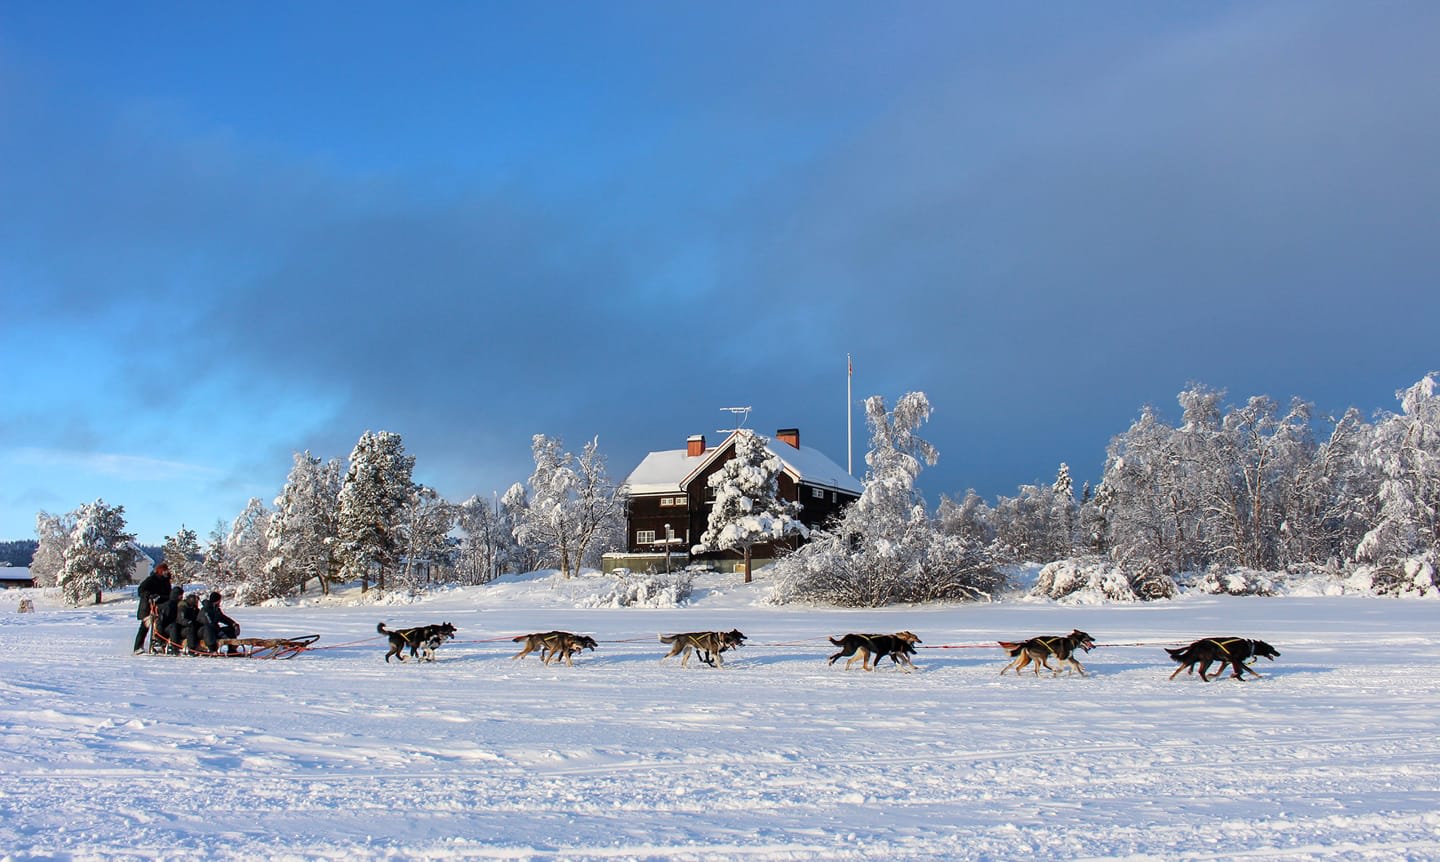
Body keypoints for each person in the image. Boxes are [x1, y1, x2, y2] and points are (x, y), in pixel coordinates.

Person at [133, 563, 172, 654]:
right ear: (160, 571)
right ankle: (137, 647)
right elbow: (141, 590)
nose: (166, 572)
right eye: (164, 571)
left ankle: (159, 645)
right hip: (148, 608)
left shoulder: (166, 581)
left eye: (167, 571)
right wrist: (150, 595)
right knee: (144, 627)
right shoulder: (151, 580)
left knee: (160, 626)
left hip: (161, 608)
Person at [157, 586, 184, 654]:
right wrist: (161, 639)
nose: (181, 597)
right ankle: (174, 647)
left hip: (177, 625)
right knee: (173, 626)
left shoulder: (180, 604)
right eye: (180, 596)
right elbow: (160, 622)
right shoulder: (168, 606)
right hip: (167, 628)